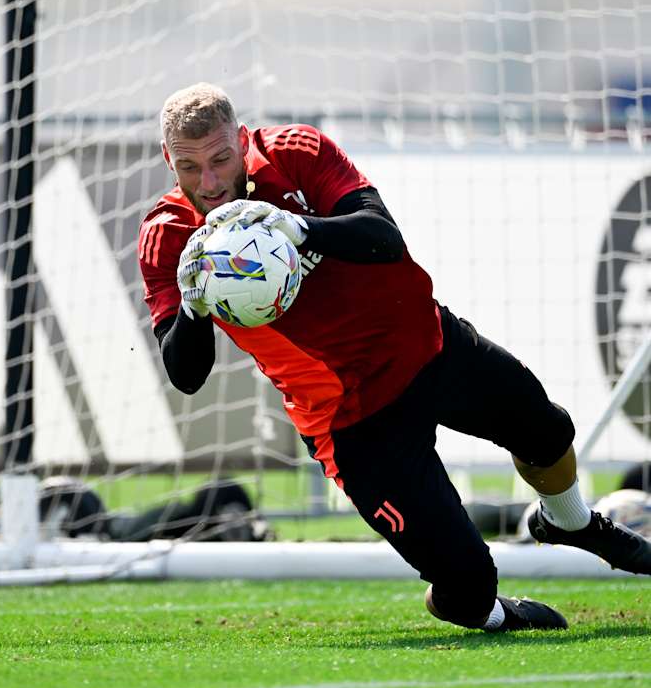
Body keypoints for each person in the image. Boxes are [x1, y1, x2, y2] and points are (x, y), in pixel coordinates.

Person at [138, 82, 651, 633]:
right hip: (353, 419)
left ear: (242, 141)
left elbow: (383, 237)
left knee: (548, 432)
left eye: (221, 159)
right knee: (468, 587)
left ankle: (569, 523)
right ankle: (493, 610)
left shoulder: (295, 152)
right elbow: (185, 376)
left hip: (429, 346)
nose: (210, 182)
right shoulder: (168, 240)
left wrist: (298, 229)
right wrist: (194, 304)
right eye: (191, 168)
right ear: (169, 162)